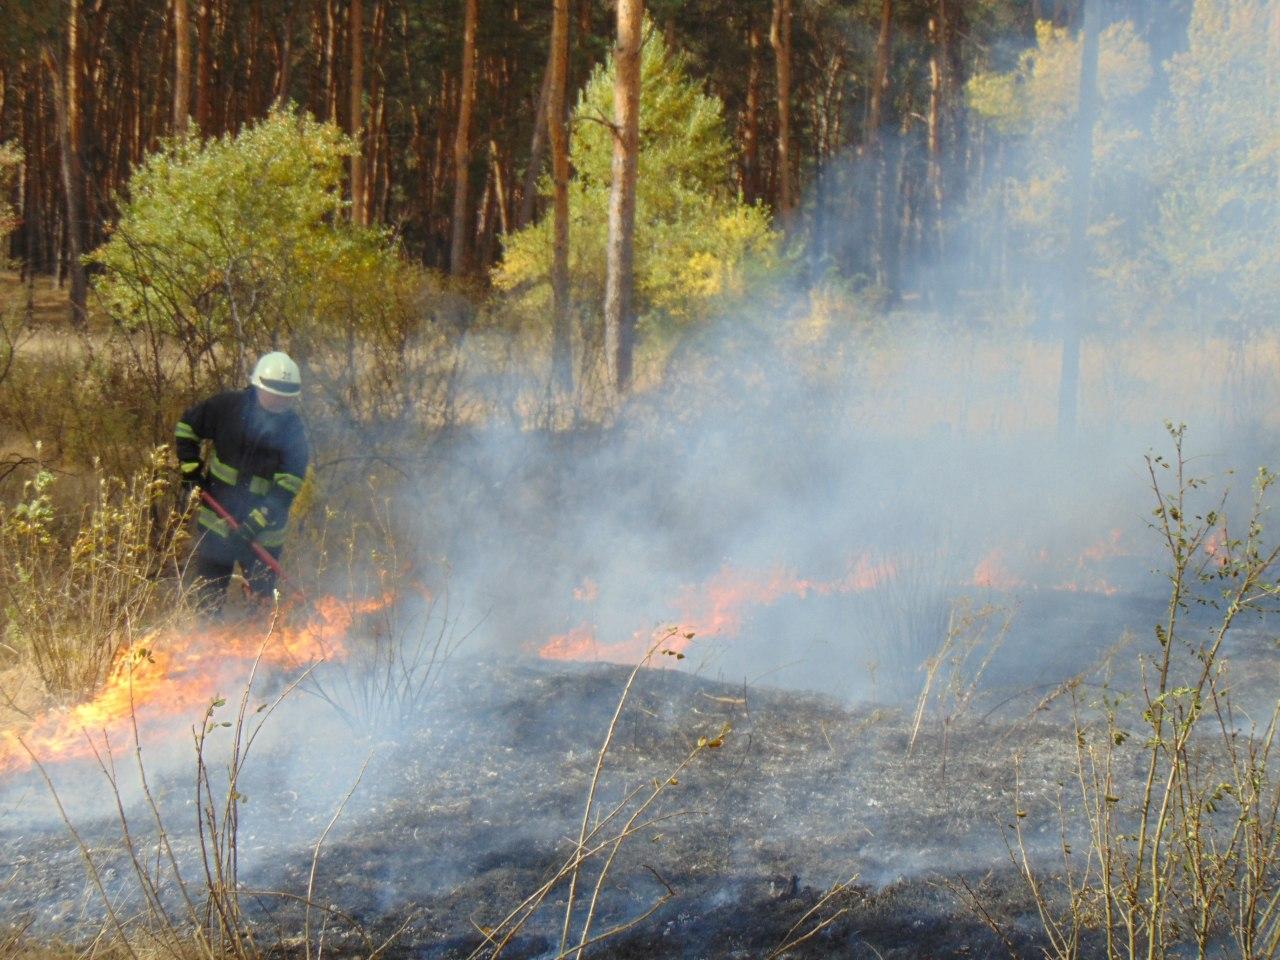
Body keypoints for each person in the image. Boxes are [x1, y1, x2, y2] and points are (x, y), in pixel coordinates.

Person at [175, 351, 309, 614]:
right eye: (275, 394)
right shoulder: (227, 407)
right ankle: (205, 647)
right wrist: (191, 471)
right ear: (259, 386)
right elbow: (186, 428)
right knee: (207, 600)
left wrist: (255, 522)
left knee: (260, 605)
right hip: (217, 523)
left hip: (264, 534)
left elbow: (289, 483)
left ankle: (259, 650)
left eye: (288, 397)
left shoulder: (293, 429)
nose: (281, 401)